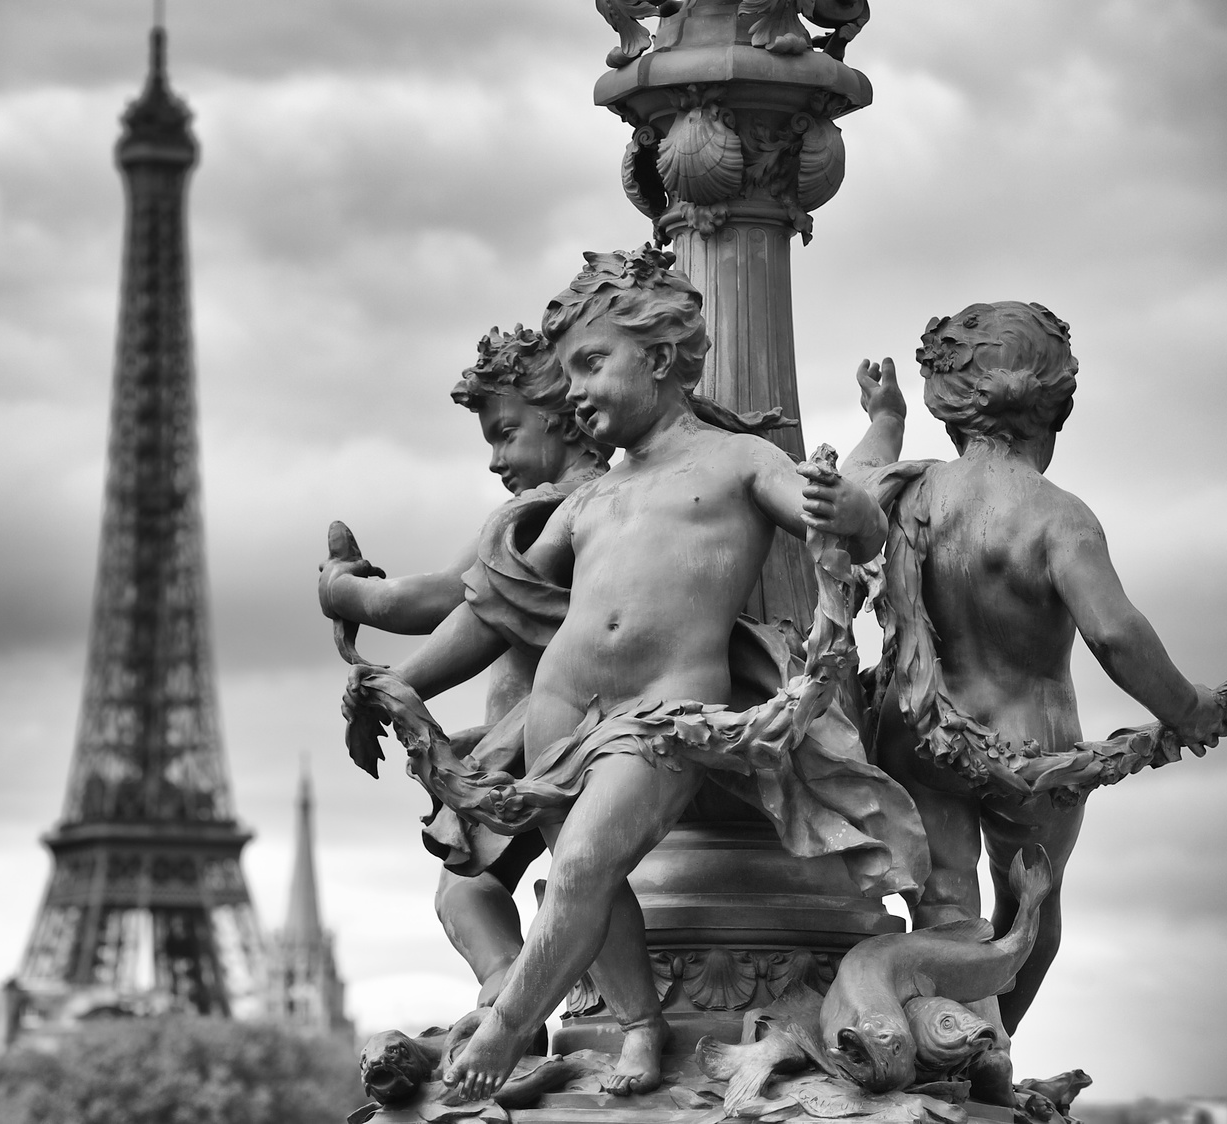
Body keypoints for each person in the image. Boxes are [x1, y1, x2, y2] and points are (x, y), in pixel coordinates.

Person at [344, 247, 918, 1099]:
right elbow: (497, 606)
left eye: (590, 363)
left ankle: (506, 1028)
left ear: (659, 358)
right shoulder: (587, 500)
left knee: (580, 867)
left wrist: (855, 510)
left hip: (662, 717)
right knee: (585, 877)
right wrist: (405, 684)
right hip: (558, 712)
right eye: (567, 371)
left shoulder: (736, 459)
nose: (573, 390)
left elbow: (830, 517)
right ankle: (642, 1025)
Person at [840, 302, 1227, 1035]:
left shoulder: (914, 493)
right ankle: (985, 1055)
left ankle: (950, 1042)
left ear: (950, 409)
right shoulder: (1058, 515)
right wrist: (1190, 708)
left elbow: (859, 474)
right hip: (1033, 752)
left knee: (947, 913)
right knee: (1032, 915)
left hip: (921, 731)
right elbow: (1115, 635)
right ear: (1056, 412)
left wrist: (886, 417)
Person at [319, 325, 610, 1018]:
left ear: (561, 416)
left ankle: (507, 1005)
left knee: (468, 891)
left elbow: (433, 601)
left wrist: (342, 591)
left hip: (542, 739)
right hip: (532, 738)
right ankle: (509, 1002)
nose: (495, 460)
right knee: (494, 888)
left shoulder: (547, 514)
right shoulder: (579, 506)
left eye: (505, 434)